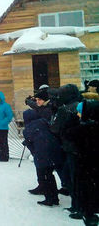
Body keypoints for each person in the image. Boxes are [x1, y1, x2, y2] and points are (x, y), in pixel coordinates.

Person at [49, 84, 82, 219]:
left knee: (72, 178)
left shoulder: (65, 109)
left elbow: (55, 128)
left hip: (70, 147)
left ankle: (78, 206)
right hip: (82, 147)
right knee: (77, 178)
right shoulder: (80, 105)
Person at [66, 100, 99, 226]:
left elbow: (68, 133)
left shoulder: (84, 129)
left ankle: (89, 216)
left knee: (87, 195)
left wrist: (73, 118)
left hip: (86, 168)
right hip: (91, 169)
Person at [22, 110, 64, 206]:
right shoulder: (45, 122)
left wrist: (36, 155)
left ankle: (49, 198)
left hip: (43, 154)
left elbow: (31, 145)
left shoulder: (28, 129)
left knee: (43, 177)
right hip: (56, 151)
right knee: (49, 175)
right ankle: (55, 198)